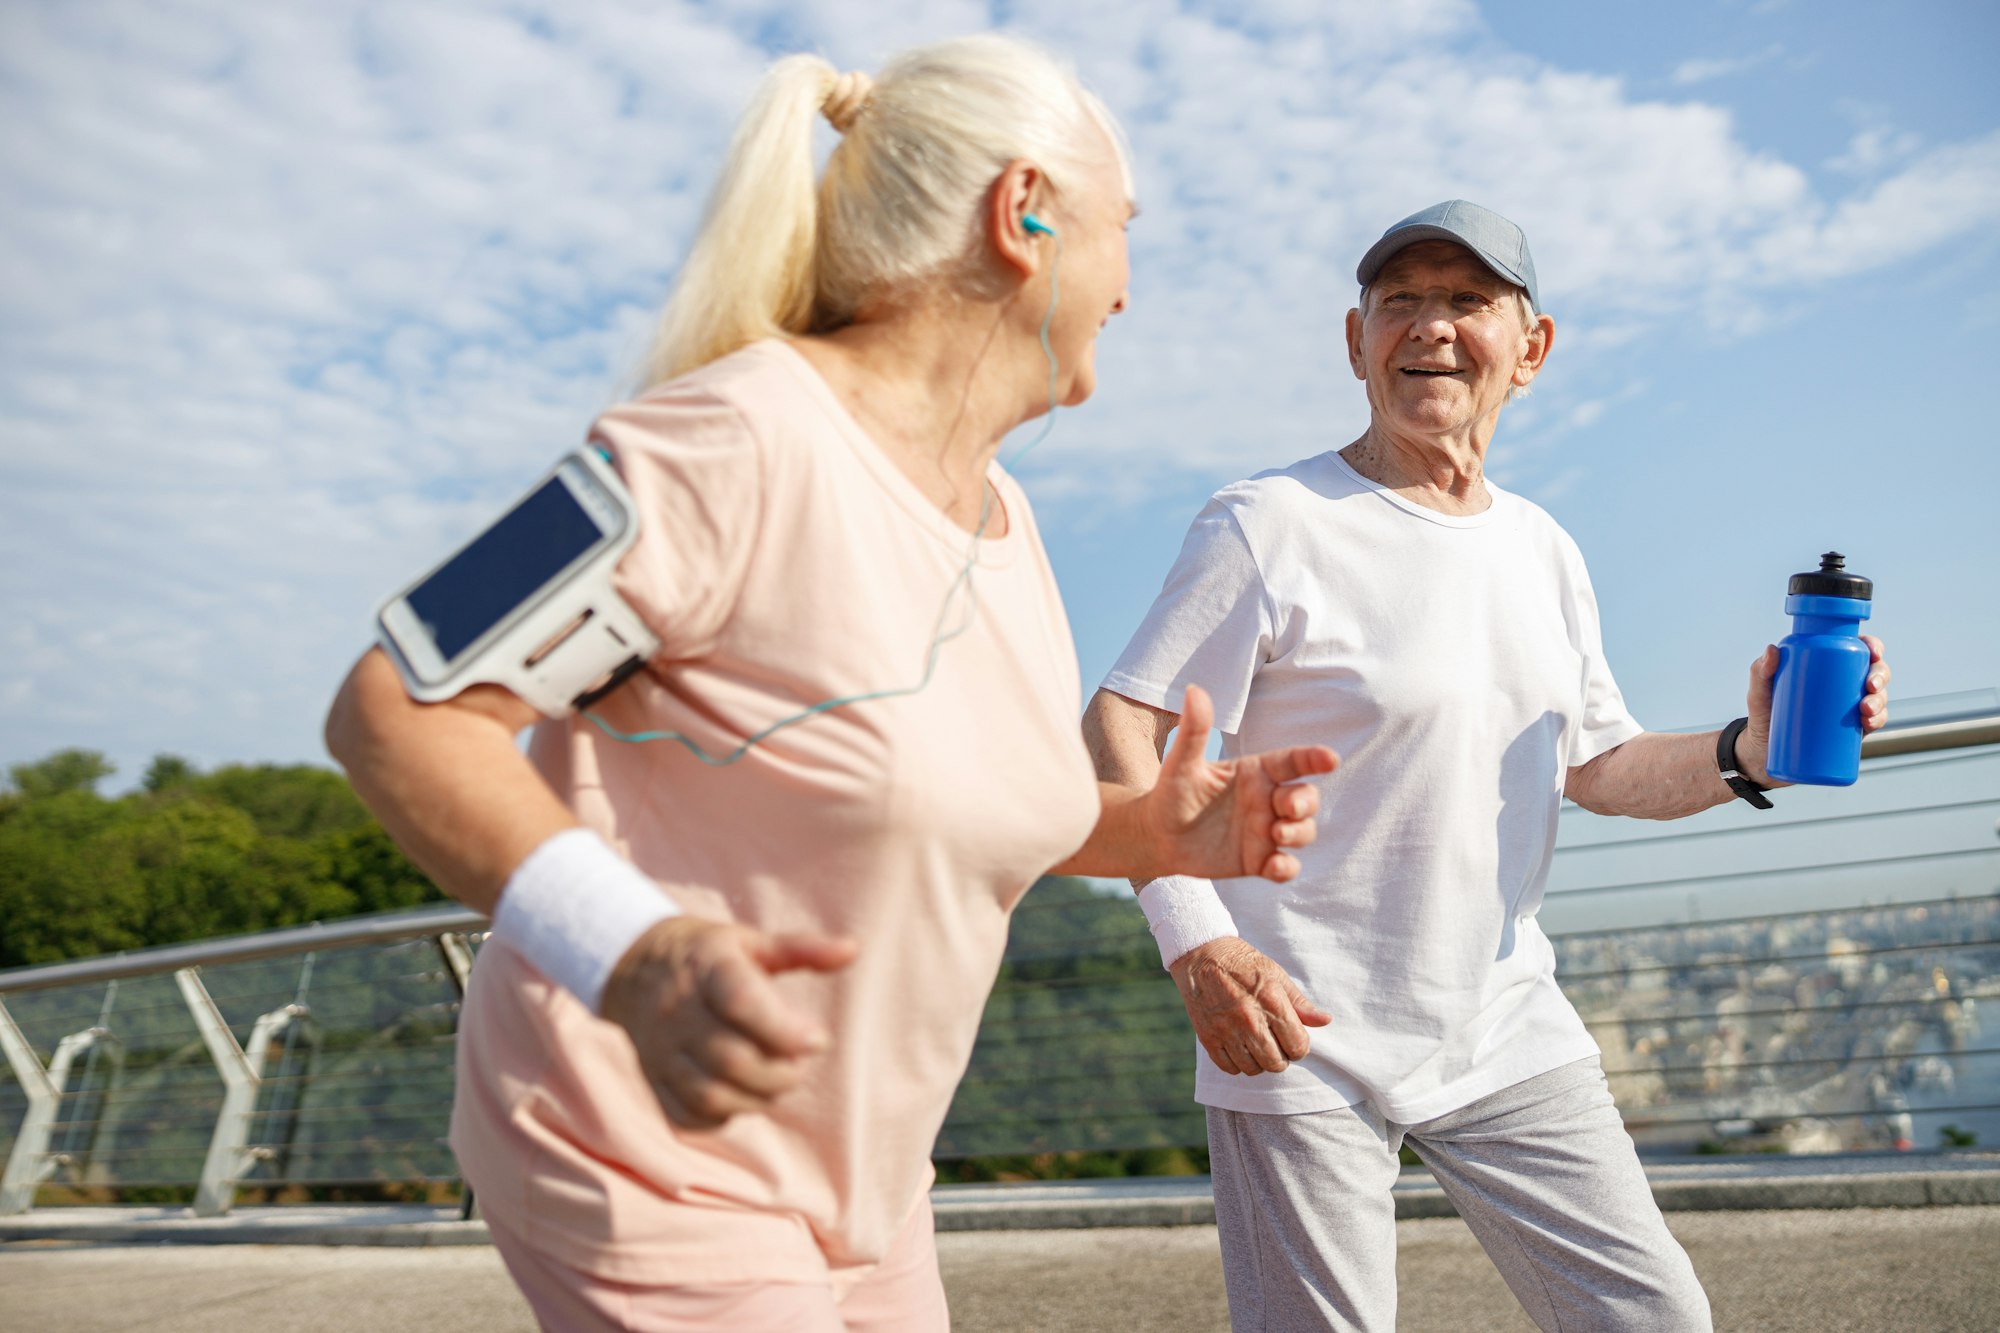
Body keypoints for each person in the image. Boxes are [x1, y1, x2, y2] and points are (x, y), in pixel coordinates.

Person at [325, 36, 1335, 1333]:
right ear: (1025, 213)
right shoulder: (725, 440)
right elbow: (396, 702)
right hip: (639, 1150)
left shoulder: (1007, 525)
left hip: (866, 1187)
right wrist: (634, 956)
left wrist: (1153, 830)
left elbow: (942, 797)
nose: (1129, 290)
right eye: (1121, 231)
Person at [1082, 200, 1893, 1333]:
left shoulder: (1542, 548)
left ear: (1531, 346)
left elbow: (1599, 764)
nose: (1430, 327)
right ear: (1354, 339)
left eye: (1466, 301)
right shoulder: (1267, 523)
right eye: (1399, 301)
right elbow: (1123, 722)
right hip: (1297, 1031)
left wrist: (1749, 748)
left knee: (1654, 1318)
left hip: (1500, 1023)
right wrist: (1197, 941)